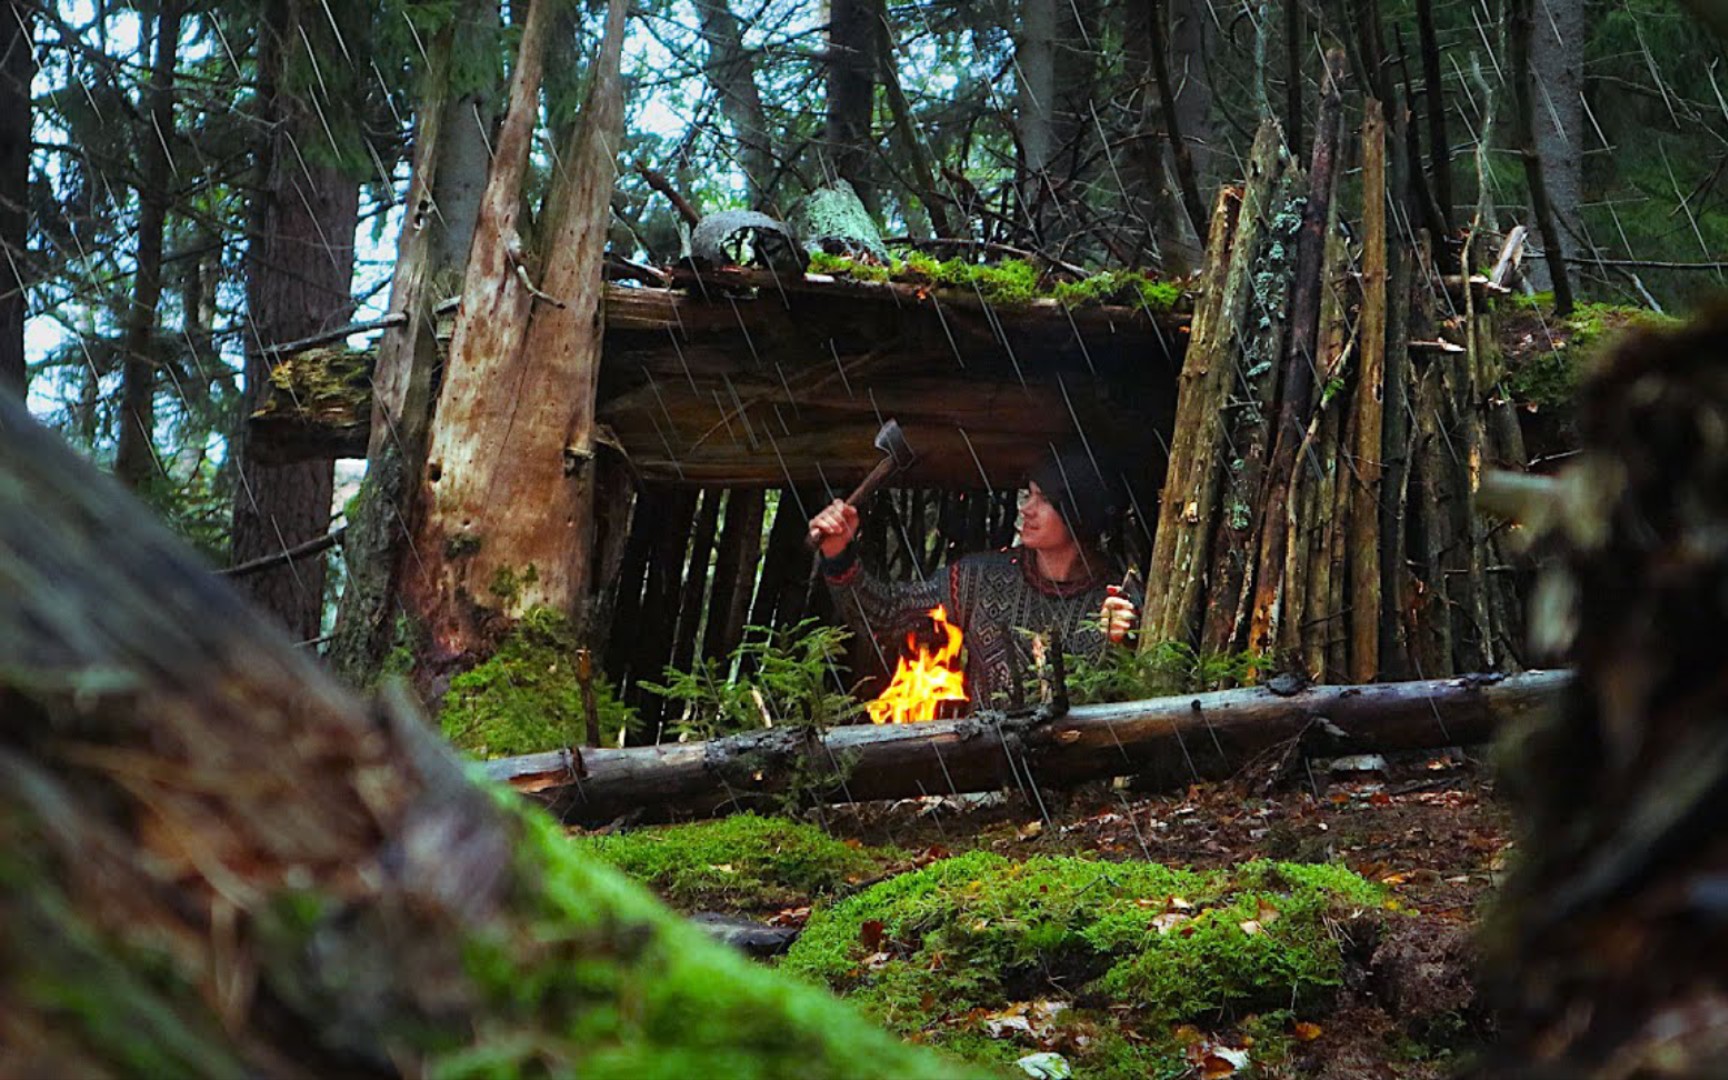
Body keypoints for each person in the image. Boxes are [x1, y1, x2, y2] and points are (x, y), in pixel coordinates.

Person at [808, 447, 1142, 712]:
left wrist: (1124, 643)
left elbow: (1138, 694)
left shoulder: (1117, 599)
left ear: (1077, 511)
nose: (1026, 508)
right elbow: (886, 616)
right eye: (1029, 494)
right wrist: (839, 554)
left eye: (1044, 500)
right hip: (988, 778)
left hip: (1087, 779)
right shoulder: (980, 578)